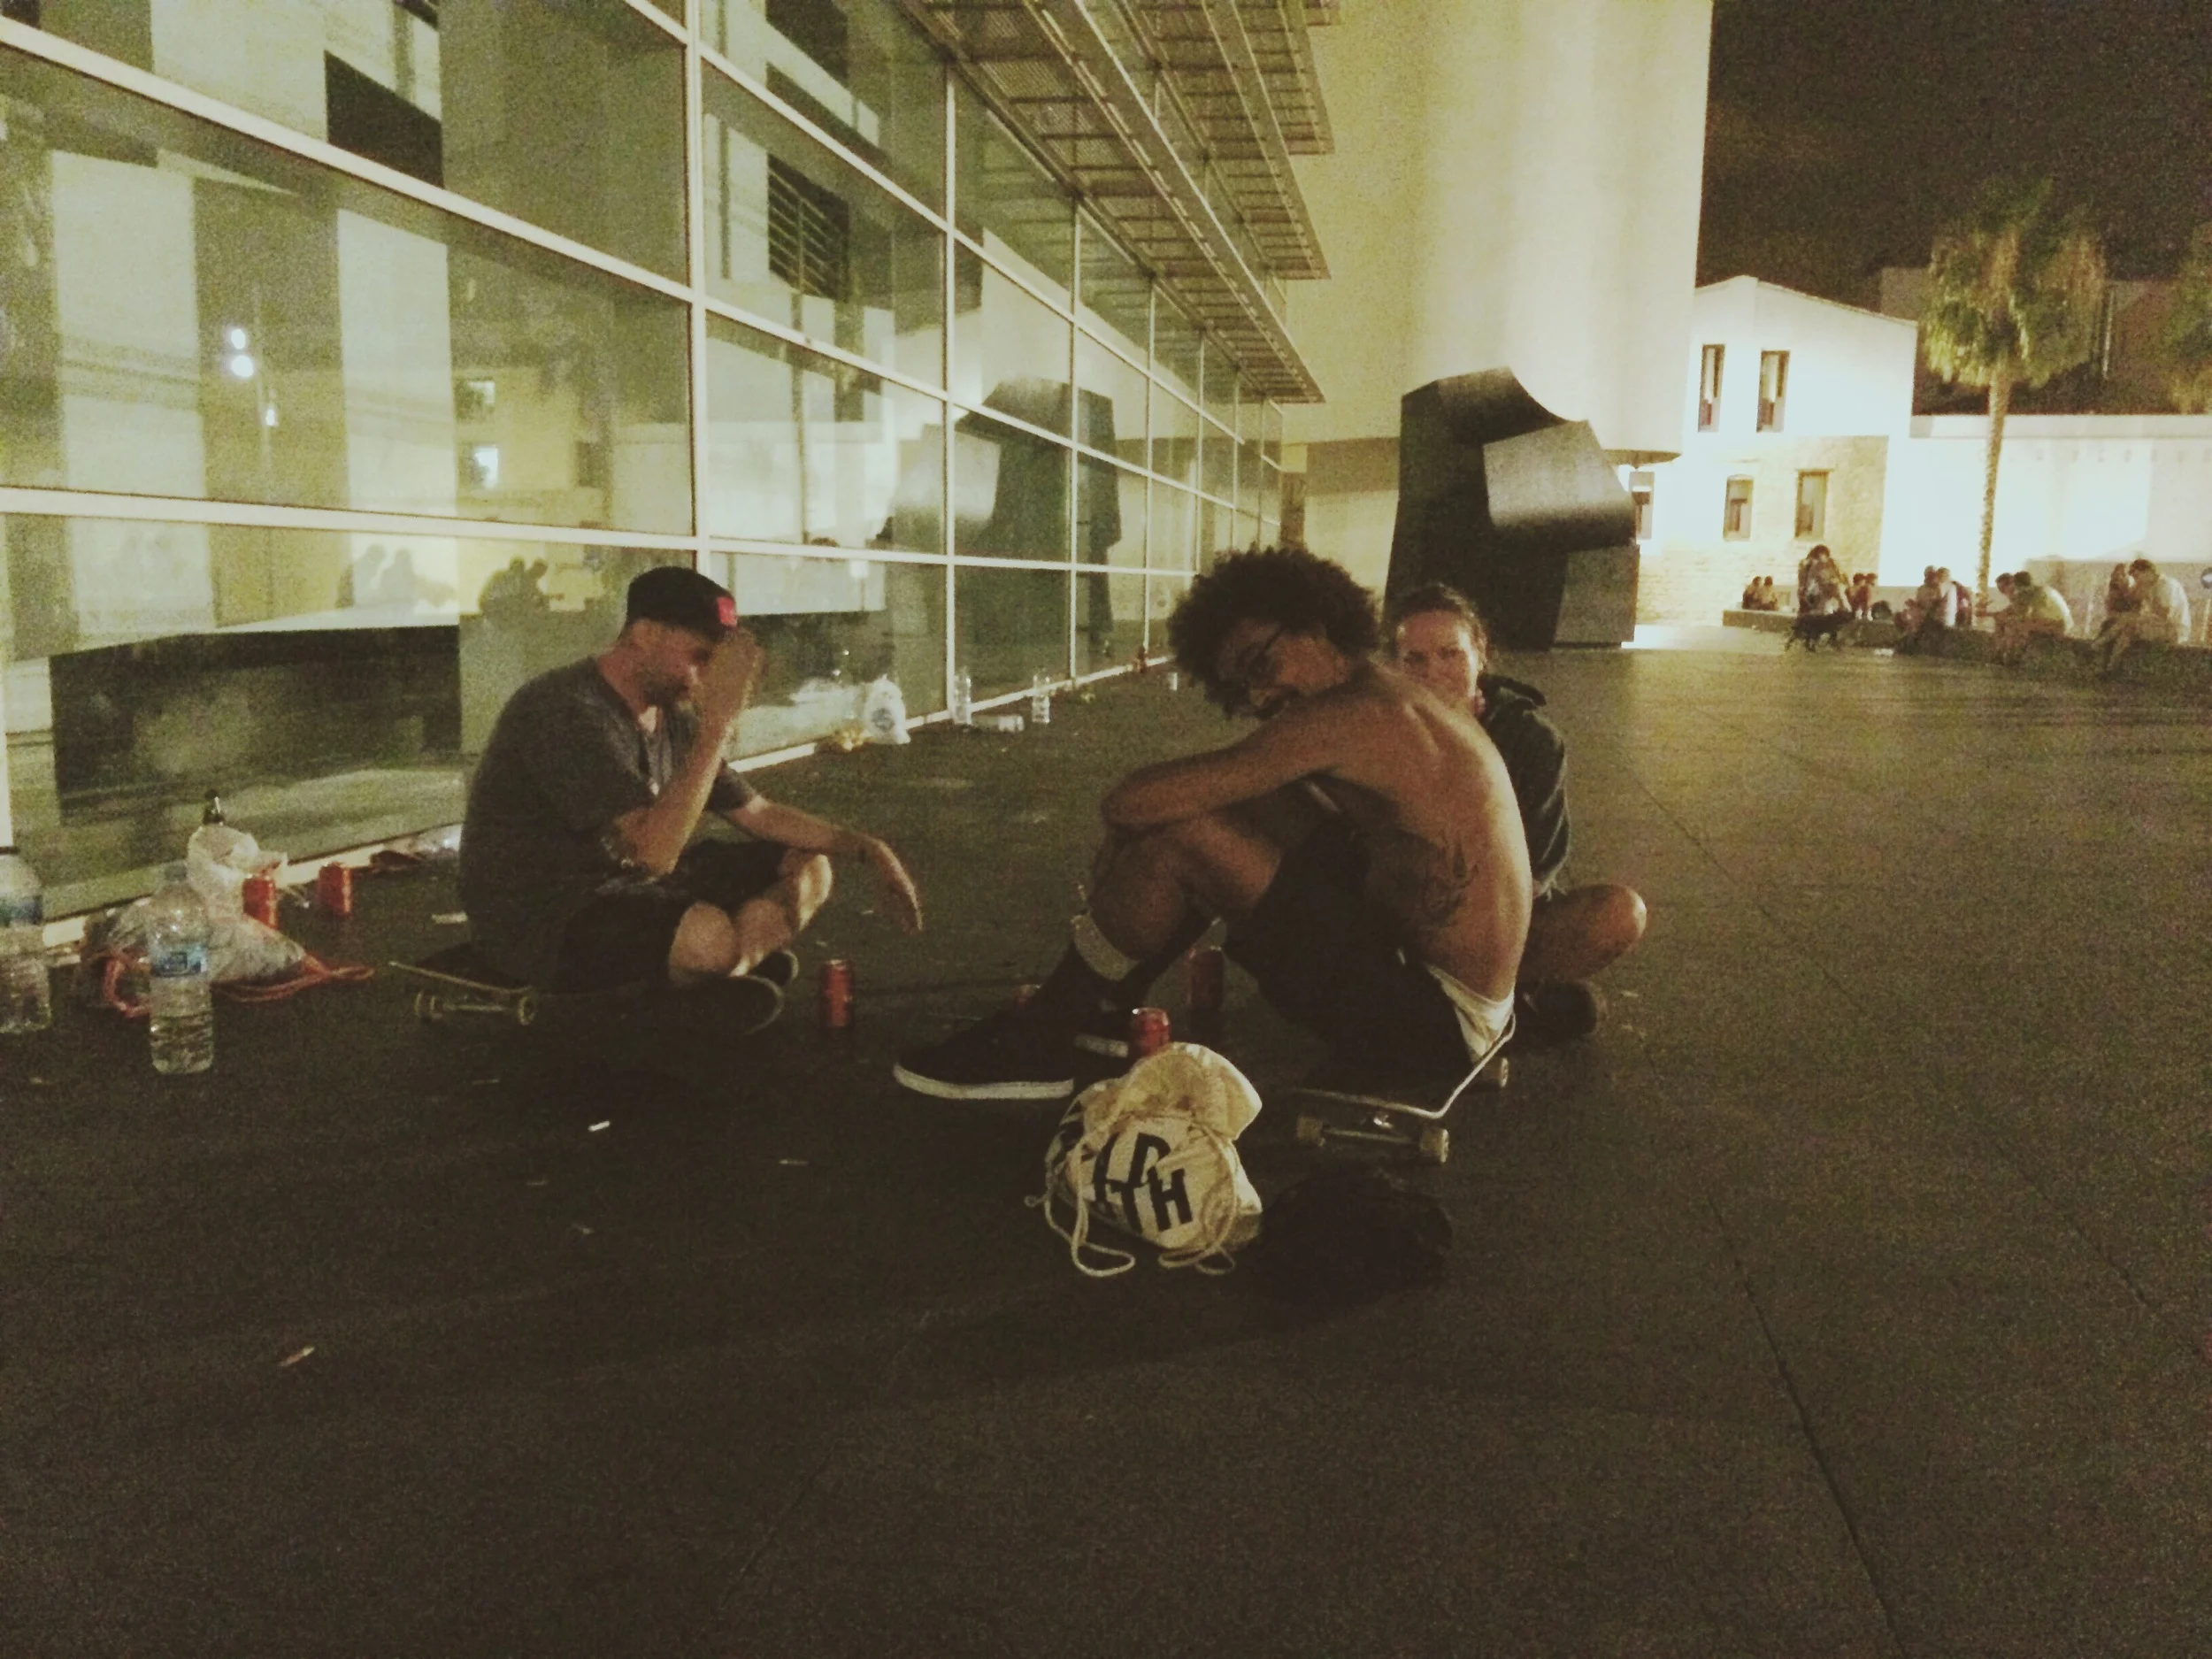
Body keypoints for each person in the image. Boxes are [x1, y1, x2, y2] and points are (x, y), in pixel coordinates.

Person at [891, 547, 1529, 1101]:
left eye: (1259, 664)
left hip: (1433, 1021)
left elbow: (1129, 802)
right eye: (1241, 686)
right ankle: (1101, 1009)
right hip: (1443, 986)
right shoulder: (1385, 691)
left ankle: (1048, 1033)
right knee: (1232, 806)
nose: (1257, 698)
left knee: (1181, 836)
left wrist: (1131, 836)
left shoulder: (1349, 715)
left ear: (1311, 622)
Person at [459, 565, 922, 1023]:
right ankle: (703, 976)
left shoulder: (668, 713)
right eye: (698, 657)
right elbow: (650, 854)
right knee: (706, 937)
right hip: (542, 914)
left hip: (626, 886)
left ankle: (721, 977)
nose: (703, 679)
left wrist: (864, 846)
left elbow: (756, 812)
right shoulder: (564, 711)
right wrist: (718, 724)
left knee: (809, 865)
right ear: (643, 635)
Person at [1389, 585, 1646, 1038]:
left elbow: (1534, 872)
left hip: (1496, 921)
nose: (1434, 673)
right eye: (1415, 659)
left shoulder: (1529, 741)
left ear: (1480, 654)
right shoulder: (1375, 733)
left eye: (1451, 655)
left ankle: (1453, 1007)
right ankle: (1489, 1015)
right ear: (1395, 665)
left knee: (1618, 914)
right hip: (1396, 920)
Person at [2095, 557, 2191, 674]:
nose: (2137, 580)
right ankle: (2111, 665)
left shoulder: (2166, 585)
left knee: (2131, 622)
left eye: (2137, 576)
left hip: (2174, 630)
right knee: (2128, 625)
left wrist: (2146, 597)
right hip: (2160, 626)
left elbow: (2164, 615)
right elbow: (2130, 602)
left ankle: (2100, 646)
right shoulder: (2150, 585)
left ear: (2147, 572)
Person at [1993, 570, 2074, 664]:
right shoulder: (2035, 590)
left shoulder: (2030, 593)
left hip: (2058, 625)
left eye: (2003, 589)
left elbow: (2022, 615)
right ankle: (2004, 654)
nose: (2004, 592)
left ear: (2015, 585)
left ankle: (2010, 656)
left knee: (2017, 624)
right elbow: (2008, 612)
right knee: (2012, 623)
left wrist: (2006, 617)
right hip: (2059, 624)